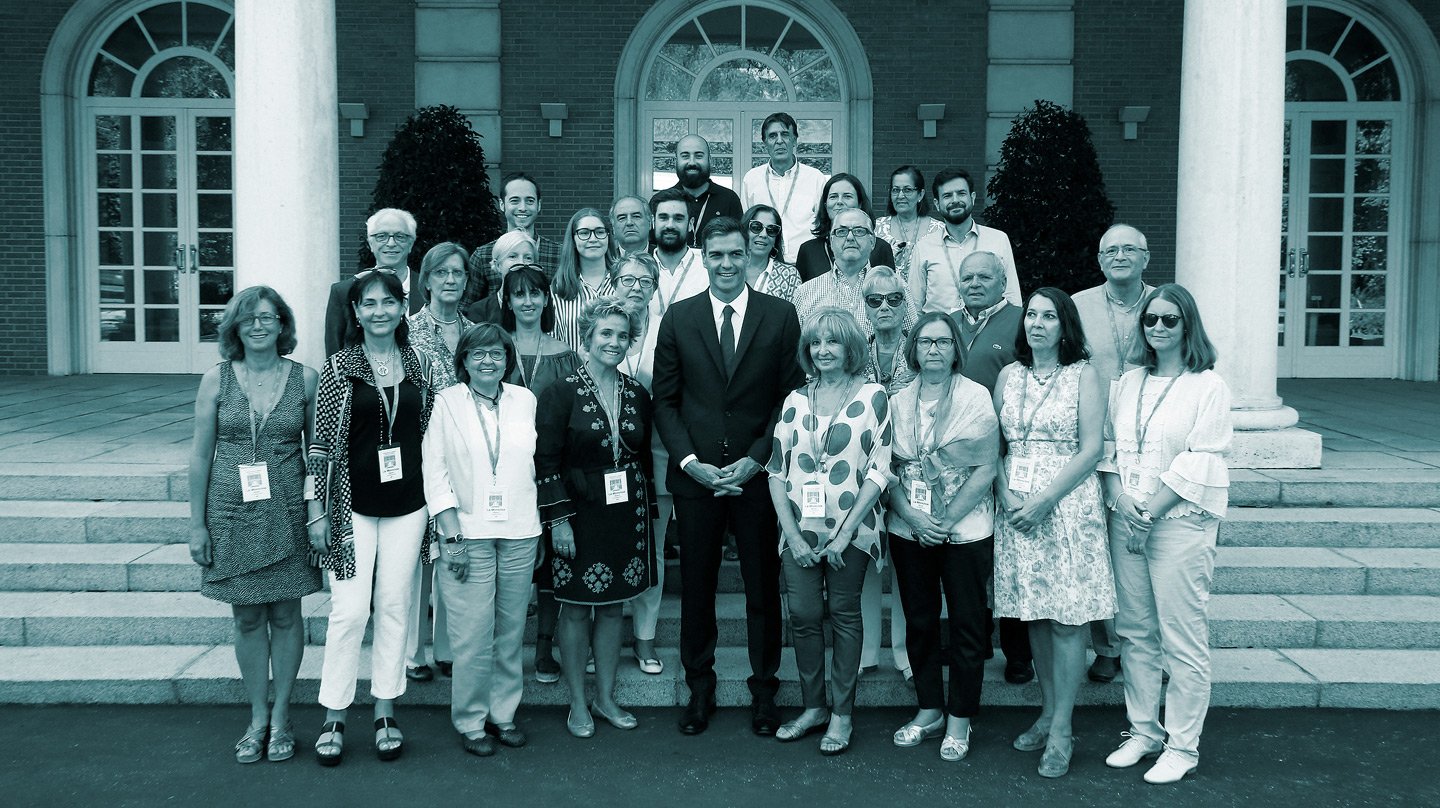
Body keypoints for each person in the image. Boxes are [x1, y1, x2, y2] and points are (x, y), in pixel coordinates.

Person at [653, 216, 804, 737]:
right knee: (697, 587)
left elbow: (791, 396)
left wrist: (758, 456)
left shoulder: (781, 316)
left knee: (762, 588)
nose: (725, 264)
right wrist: (691, 463)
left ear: (748, 255)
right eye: (715, 255)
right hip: (695, 479)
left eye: (735, 254)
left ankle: (765, 690)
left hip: (758, 478)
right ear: (703, 256)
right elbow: (666, 402)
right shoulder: (678, 317)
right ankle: (700, 688)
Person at [1099, 284, 1232, 786]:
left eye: (1169, 321)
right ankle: (1143, 731)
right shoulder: (1126, 382)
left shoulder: (1207, 386)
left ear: (1187, 325)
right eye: (1150, 320)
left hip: (1177, 524)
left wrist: (1148, 512)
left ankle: (1182, 745)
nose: (1157, 328)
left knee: (1182, 637)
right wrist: (1121, 502)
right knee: (1135, 634)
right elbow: (1109, 449)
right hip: (1126, 516)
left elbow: (1203, 457)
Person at [308, 269, 440, 766]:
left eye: (389, 302)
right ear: (356, 312)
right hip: (349, 508)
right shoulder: (338, 368)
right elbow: (319, 447)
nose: (380, 311)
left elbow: (431, 437)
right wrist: (315, 509)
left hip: (409, 505)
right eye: (370, 303)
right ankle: (334, 715)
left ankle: (386, 709)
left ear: (401, 308)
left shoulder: (420, 363)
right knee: (348, 610)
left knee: (394, 607)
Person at [188, 286, 321, 764]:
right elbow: (201, 454)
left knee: (286, 615)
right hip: (230, 512)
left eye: (268, 318)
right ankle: (258, 716)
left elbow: (318, 455)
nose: (259, 326)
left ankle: (283, 716)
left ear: (282, 325)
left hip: (286, 511)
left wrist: (316, 514)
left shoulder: (306, 378)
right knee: (246, 616)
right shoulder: (215, 380)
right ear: (235, 328)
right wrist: (196, 525)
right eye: (249, 319)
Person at [993, 287, 1113, 778]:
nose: (1037, 324)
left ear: (1066, 325)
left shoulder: (1085, 374)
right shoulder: (1008, 375)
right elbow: (992, 442)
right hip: (1016, 507)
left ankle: (1063, 728)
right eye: (1032, 316)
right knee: (1035, 616)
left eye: (1048, 316)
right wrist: (1005, 493)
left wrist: (1044, 500)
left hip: (1066, 507)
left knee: (1067, 618)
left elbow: (1090, 449)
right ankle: (1046, 712)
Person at [766, 307, 892, 756]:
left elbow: (879, 472)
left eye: (832, 341)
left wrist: (843, 536)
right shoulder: (794, 400)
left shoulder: (874, 396)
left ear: (850, 347)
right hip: (798, 531)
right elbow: (776, 473)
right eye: (816, 342)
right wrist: (794, 537)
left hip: (850, 533)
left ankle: (842, 715)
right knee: (802, 617)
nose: (823, 350)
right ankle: (813, 707)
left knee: (843, 616)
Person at [536, 297, 657, 738]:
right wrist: (558, 521)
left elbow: (642, 456)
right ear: (586, 336)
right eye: (605, 333)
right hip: (577, 514)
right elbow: (544, 462)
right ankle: (577, 703)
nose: (614, 342)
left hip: (627, 516)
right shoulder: (559, 391)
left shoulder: (637, 392)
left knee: (612, 610)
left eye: (623, 335)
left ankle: (605, 698)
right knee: (574, 609)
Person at [422, 324, 540, 757]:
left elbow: (532, 465)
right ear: (464, 361)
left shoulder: (524, 400)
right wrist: (450, 534)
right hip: (466, 533)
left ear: (507, 358)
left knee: (510, 632)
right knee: (472, 634)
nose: (487, 361)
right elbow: (434, 470)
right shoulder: (446, 403)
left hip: (519, 530)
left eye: (495, 353)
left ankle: (502, 713)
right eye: (478, 354)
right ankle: (471, 719)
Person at [886, 312, 999, 762]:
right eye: (926, 342)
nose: (934, 349)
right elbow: (887, 470)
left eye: (944, 342)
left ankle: (960, 718)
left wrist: (946, 520)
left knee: (969, 626)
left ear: (957, 349)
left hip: (966, 530)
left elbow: (986, 464)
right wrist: (914, 517)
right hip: (909, 528)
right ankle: (930, 709)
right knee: (919, 620)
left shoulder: (977, 397)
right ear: (913, 349)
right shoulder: (895, 401)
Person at [1072, 223, 1156, 684]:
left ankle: (1148, 646)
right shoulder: (1081, 305)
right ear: (1100, 259)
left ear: (1146, 257)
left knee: (1143, 546)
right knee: (1097, 545)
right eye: (1110, 250)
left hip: (1150, 443)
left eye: (1129, 249)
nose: (1119, 256)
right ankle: (1106, 646)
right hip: (1094, 439)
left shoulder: (1166, 304)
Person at [947, 250, 1033, 684]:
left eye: (985, 276)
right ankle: (975, 638)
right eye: (968, 277)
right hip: (957, 463)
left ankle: (1017, 651)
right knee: (972, 556)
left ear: (1003, 282)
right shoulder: (949, 324)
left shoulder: (1022, 321)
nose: (975, 283)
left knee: (1008, 558)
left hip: (1008, 460)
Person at [499, 265, 581, 684]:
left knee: (550, 564)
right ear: (507, 301)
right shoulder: (494, 347)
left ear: (547, 299)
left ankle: (545, 647)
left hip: (550, 470)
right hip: (502, 473)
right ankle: (506, 651)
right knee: (512, 563)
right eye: (519, 294)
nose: (527, 301)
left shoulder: (565, 353)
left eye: (535, 293)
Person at [404, 241, 475, 683]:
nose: (451, 281)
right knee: (416, 558)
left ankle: (447, 648)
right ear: (427, 280)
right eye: (442, 273)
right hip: (415, 457)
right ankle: (413, 652)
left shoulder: (476, 332)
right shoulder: (406, 331)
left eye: (458, 273)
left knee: (454, 548)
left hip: (462, 460)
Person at [613, 254, 670, 674]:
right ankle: (608, 639)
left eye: (644, 281)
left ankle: (645, 639)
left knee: (652, 550)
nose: (636, 287)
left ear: (655, 287)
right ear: (613, 282)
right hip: (606, 463)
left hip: (659, 456)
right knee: (608, 547)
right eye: (627, 279)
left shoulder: (671, 329)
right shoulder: (597, 328)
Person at [858, 266, 914, 681]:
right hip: (862, 477)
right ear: (865, 306)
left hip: (913, 476)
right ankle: (865, 652)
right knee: (865, 567)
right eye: (875, 300)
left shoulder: (921, 348)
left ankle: (905, 653)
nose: (884, 307)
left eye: (893, 299)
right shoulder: (855, 351)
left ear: (904, 302)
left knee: (907, 570)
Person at [793, 209, 916, 338]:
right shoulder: (805, 293)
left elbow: (912, 342)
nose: (850, 237)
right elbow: (797, 351)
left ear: (873, 241)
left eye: (859, 231)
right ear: (831, 241)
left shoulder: (897, 288)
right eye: (841, 232)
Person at [910, 169, 1021, 313]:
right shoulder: (924, 247)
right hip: (939, 333)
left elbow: (1012, 297)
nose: (955, 200)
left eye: (961, 193)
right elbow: (914, 306)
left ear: (972, 198)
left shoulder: (998, 240)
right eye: (947, 196)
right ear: (937, 204)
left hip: (988, 330)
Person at [325, 209, 421, 356]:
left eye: (400, 236)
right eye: (381, 236)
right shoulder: (343, 292)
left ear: (411, 243)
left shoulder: (428, 289)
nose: (391, 243)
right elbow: (334, 354)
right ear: (370, 243)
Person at [463, 172, 563, 309]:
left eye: (530, 201)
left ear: (539, 205)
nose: (523, 207)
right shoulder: (483, 255)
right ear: (502, 204)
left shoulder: (559, 254)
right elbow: (466, 308)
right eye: (515, 200)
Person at [739, 112, 827, 263]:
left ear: (794, 140)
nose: (779, 141)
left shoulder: (815, 178)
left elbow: (824, 223)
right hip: (764, 262)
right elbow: (745, 226)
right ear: (765, 142)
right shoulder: (751, 179)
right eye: (773, 136)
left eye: (785, 135)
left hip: (807, 261)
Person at [793, 173, 896, 282]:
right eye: (833, 197)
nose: (839, 202)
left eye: (847, 196)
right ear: (825, 204)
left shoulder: (880, 248)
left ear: (860, 203)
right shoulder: (808, 251)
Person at [551, 208, 618, 350]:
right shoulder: (558, 288)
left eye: (599, 232)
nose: (593, 239)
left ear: (608, 236)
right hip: (571, 370)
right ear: (573, 239)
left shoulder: (622, 281)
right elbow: (553, 342)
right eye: (584, 233)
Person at [662, 134, 743, 247]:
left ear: (710, 160)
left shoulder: (729, 199)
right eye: (685, 156)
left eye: (699, 156)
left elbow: (739, 244)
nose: (692, 162)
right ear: (675, 161)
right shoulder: (662, 200)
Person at [874, 165, 942, 286]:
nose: (900, 196)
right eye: (895, 190)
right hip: (886, 299)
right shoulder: (877, 227)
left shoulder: (938, 230)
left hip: (928, 300)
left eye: (907, 190)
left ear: (920, 194)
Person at [648, 188, 708, 320]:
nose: (670, 225)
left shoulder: (708, 267)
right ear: (653, 221)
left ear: (690, 224)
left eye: (678, 218)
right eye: (663, 217)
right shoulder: (640, 267)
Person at [465, 230, 538, 324]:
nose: (521, 263)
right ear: (498, 265)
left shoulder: (542, 308)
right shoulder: (479, 311)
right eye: (512, 256)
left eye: (528, 258)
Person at [741, 204, 801, 302]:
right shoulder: (729, 268)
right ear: (744, 231)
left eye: (772, 230)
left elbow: (796, 316)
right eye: (756, 227)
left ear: (776, 238)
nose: (764, 235)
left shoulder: (789, 275)